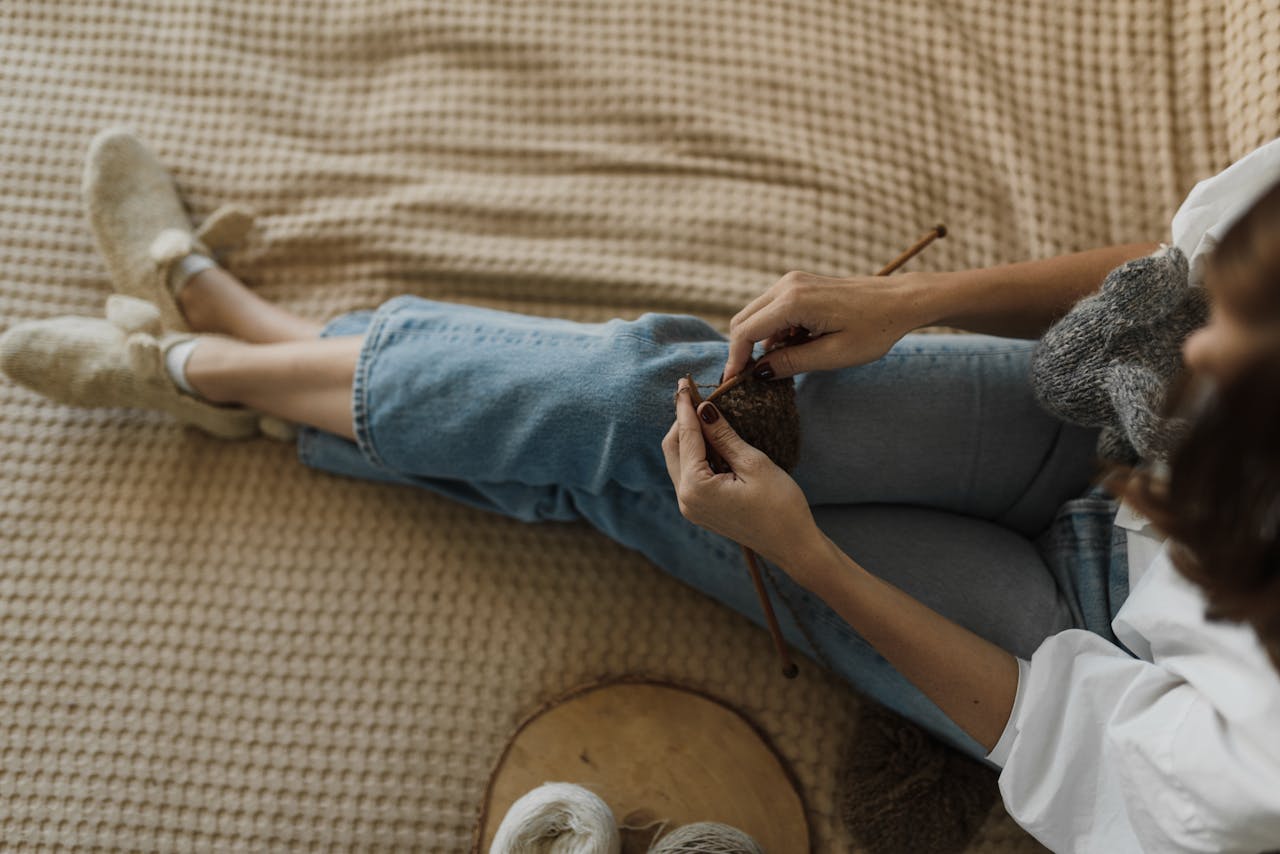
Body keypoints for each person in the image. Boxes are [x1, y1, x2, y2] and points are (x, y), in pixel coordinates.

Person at [2, 128, 1278, 851]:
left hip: (1073, 646)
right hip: (1075, 438)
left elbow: (1073, 748)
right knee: (641, 399)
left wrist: (804, 556)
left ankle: (212, 358)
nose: (1195, 352)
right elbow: (1188, 270)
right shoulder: (1202, 345)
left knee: (648, 482)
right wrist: (907, 301)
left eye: (1228, 363)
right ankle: (233, 357)